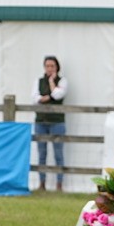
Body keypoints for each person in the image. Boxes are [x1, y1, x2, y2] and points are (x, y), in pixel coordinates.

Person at [33, 55, 67, 191]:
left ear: (57, 67)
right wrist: (47, 97)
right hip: (41, 120)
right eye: (47, 66)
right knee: (42, 153)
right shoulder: (38, 81)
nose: (49, 68)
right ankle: (42, 183)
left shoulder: (62, 81)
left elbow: (58, 95)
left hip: (57, 121)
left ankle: (59, 184)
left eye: (52, 66)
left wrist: (52, 83)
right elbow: (35, 98)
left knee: (58, 153)